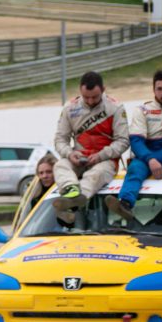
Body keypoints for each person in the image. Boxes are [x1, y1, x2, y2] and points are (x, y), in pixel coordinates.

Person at [52, 71, 128, 223]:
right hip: (79, 156)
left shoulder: (116, 107)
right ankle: (70, 191)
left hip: (105, 160)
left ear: (103, 90)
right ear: (80, 90)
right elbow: (60, 139)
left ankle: (77, 200)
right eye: (86, 97)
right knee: (60, 165)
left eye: (95, 97)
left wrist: (101, 155)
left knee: (96, 174)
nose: (91, 101)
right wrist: (69, 154)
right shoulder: (70, 108)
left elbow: (123, 140)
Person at [107, 70, 162, 220]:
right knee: (135, 168)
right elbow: (136, 141)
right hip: (148, 154)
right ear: (153, 90)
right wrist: (150, 159)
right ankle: (125, 204)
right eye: (160, 89)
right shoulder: (143, 110)